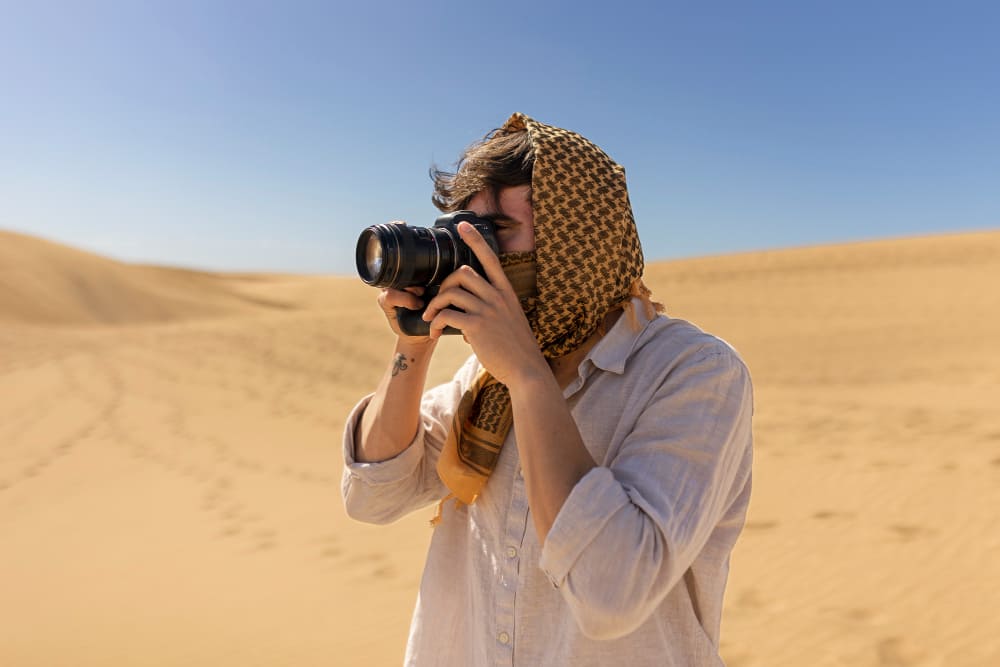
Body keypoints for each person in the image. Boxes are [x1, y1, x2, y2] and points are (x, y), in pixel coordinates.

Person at [341, 113, 753, 666]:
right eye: (463, 229)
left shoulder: (695, 371)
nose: (472, 251)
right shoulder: (483, 381)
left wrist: (531, 380)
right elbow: (373, 495)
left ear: (577, 234)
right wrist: (412, 346)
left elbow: (612, 591)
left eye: (496, 232)